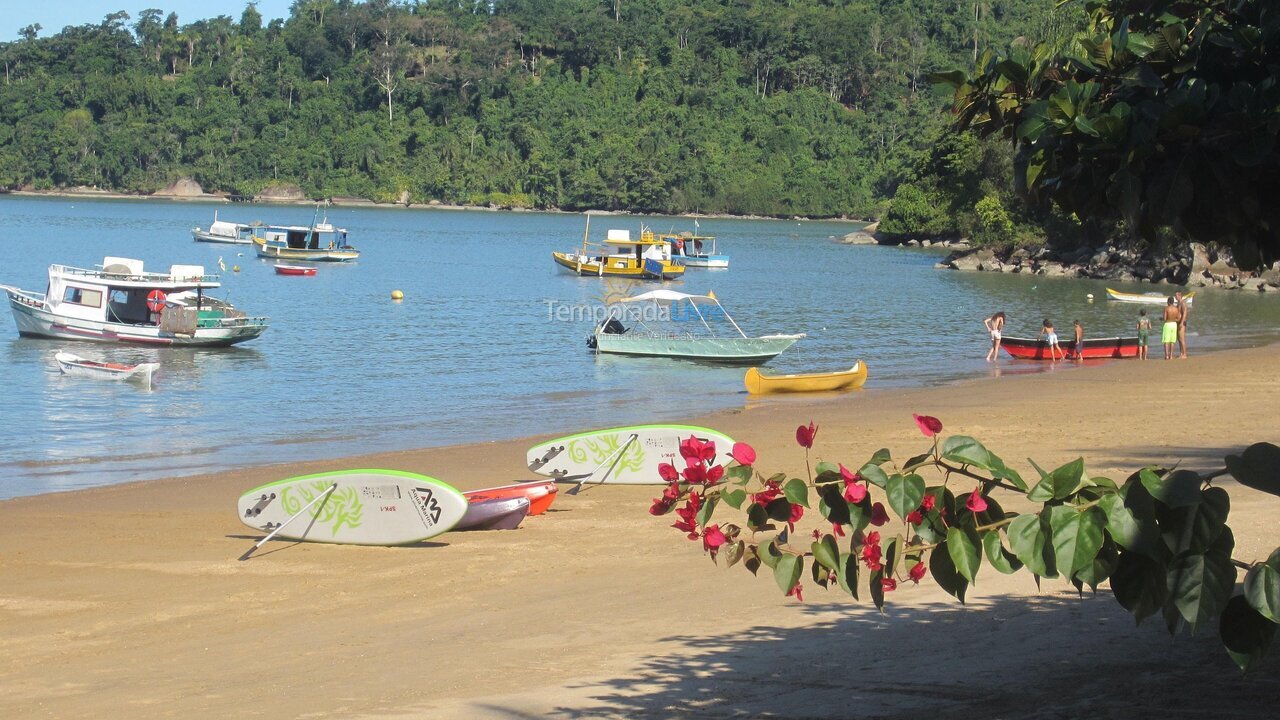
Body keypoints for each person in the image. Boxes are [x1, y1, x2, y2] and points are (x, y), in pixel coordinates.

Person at [1175, 291, 1190, 359]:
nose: (1175, 297)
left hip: (1182, 323)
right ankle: (1181, 353)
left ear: (1179, 295)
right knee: (1179, 339)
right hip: (1178, 322)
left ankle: (1184, 354)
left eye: (1176, 295)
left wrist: (1181, 322)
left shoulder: (1183, 303)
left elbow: (1184, 313)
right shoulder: (1179, 303)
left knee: (1182, 338)